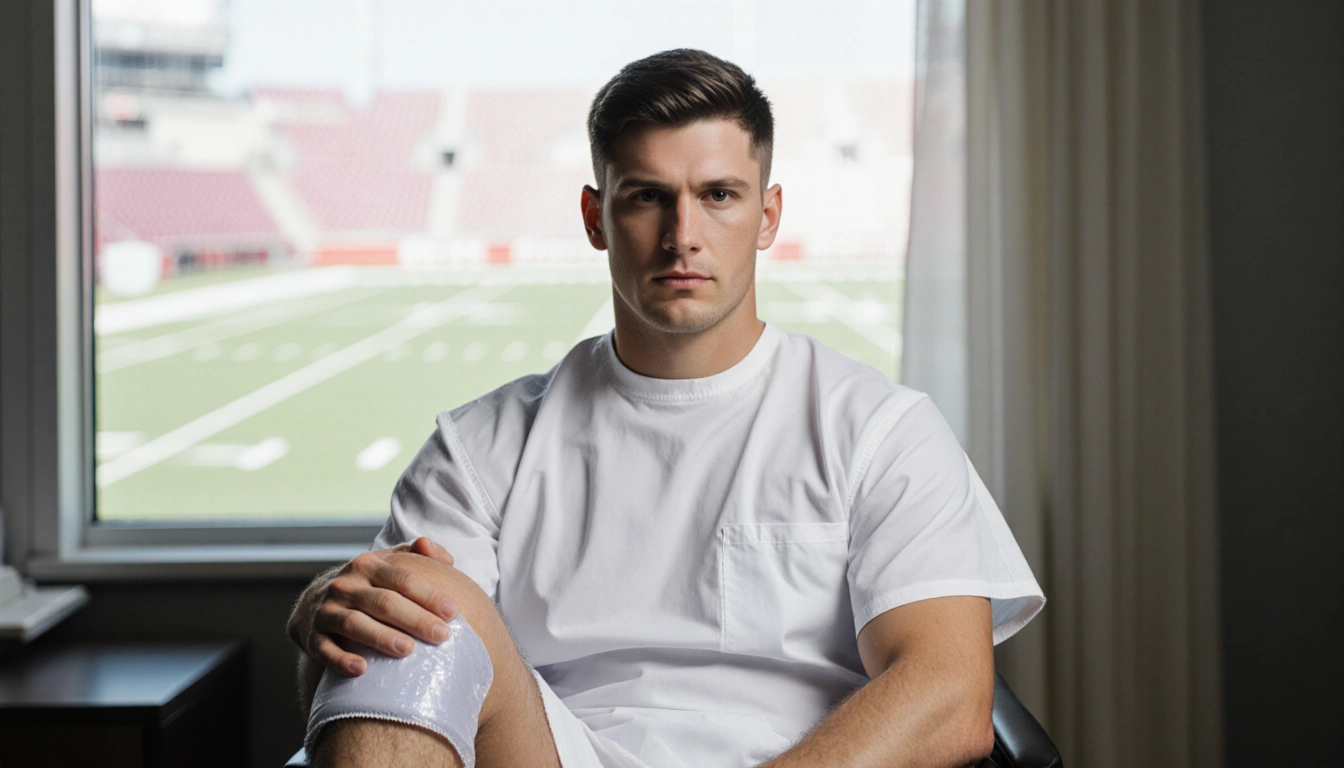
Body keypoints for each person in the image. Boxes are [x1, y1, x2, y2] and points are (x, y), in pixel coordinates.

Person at [286, 48, 1044, 768]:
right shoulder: (481, 446)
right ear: (595, 217)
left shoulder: (879, 429)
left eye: (718, 195)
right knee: (412, 604)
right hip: (553, 752)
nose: (684, 237)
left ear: (768, 215)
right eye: (648, 197)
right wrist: (337, 604)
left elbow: (950, 697)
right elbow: (376, 672)